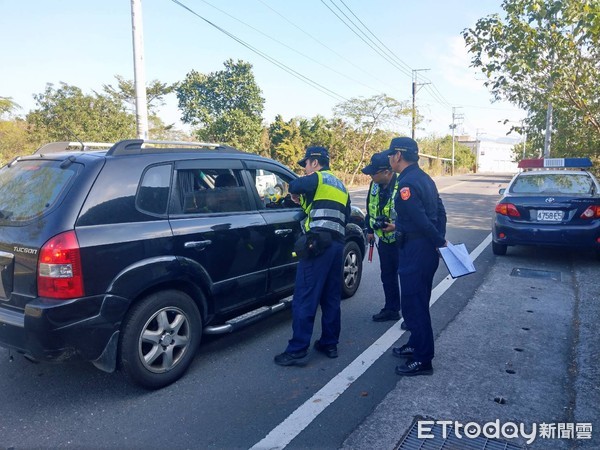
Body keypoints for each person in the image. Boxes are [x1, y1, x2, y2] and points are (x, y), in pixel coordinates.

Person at [274, 146, 351, 366]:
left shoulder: (317, 178)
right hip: (337, 246)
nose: (305, 169)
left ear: (315, 163)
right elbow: (341, 213)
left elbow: (295, 184)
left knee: (305, 298)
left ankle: (297, 349)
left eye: (306, 165)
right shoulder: (340, 185)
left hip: (317, 245)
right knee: (330, 298)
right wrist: (304, 202)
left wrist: (295, 192)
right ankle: (329, 343)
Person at [385, 137, 447, 376]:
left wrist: (438, 241)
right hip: (422, 249)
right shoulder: (425, 178)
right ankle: (415, 344)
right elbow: (440, 211)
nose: (390, 159)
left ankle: (423, 359)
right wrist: (438, 238)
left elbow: (420, 220)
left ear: (398, 156)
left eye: (391, 155)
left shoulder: (407, 183)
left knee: (415, 304)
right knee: (414, 303)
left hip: (416, 250)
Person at [361, 152, 402, 323]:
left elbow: (413, 214)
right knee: (387, 275)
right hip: (385, 240)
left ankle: (412, 315)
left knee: (407, 279)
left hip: (402, 239)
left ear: (387, 172)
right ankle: (391, 309)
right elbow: (370, 206)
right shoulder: (375, 185)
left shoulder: (402, 184)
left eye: (373, 173)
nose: (371, 176)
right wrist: (370, 229)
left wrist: (396, 226)